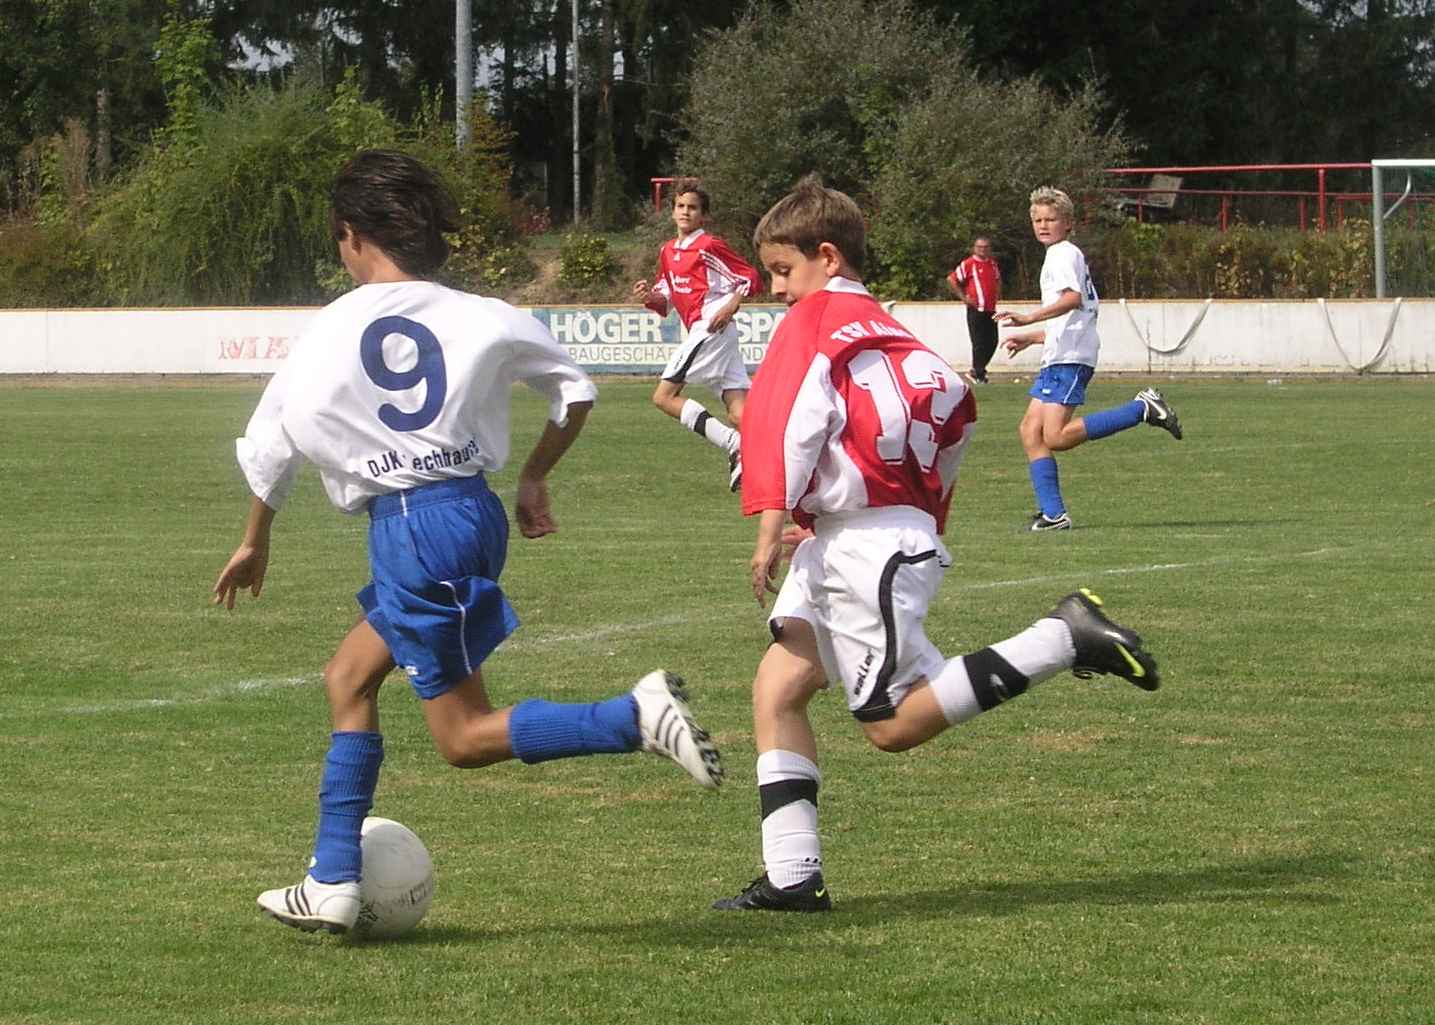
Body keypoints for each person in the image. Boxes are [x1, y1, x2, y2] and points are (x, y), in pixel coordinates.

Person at [213, 150, 723, 936]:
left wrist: (255, 539)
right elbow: (575, 390)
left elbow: (270, 444)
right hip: (469, 513)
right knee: (348, 676)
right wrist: (534, 477)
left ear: (350, 235)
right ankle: (332, 877)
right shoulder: (483, 312)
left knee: (461, 736)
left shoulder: (327, 330)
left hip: (411, 528)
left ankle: (633, 716)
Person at [711, 176, 1162, 914]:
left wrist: (771, 520)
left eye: (783, 270)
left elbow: (785, 420)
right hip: (870, 532)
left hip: (865, 546)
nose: (776, 289)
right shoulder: (895, 335)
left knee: (891, 724)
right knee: (778, 686)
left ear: (827, 257)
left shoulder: (813, 322)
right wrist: (881, 511)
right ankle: (792, 876)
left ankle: (1062, 636)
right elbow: (957, 417)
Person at [995, 186, 1183, 532]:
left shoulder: (1063, 254)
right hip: (1061, 354)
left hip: (1069, 358)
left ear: (1068, 223)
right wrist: (1032, 338)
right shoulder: (1059, 254)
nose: (1043, 225)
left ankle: (1141, 408)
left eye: (1051, 219)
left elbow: (1072, 299)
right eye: (1037, 220)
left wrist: (1028, 318)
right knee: (1030, 430)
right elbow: (1071, 319)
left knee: (1055, 437)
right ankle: (1053, 514)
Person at [633, 179, 763, 492]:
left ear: (703, 215)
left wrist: (730, 306)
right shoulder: (667, 251)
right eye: (680, 206)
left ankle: (734, 444)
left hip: (710, 328)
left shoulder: (708, 246)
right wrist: (648, 296)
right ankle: (773, 464)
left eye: (692, 208)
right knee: (739, 414)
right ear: (672, 211)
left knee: (664, 397)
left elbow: (750, 277)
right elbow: (664, 300)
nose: (685, 212)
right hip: (713, 333)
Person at [947, 235, 1001, 383]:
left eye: (985, 247)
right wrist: (964, 298)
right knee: (979, 342)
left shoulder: (993, 264)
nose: (982, 250)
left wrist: (997, 294)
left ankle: (977, 370)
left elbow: (997, 280)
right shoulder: (968, 264)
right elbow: (952, 279)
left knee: (993, 341)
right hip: (976, 309)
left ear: (989, 249)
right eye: (979, 247)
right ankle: (978, 373)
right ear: (974, 248)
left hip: (991, 309)